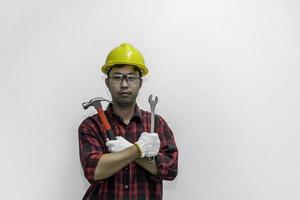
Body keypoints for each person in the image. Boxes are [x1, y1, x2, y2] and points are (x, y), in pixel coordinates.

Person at [78, 43, 178, 200]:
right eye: (117, 77)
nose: (124, 84)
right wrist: (138, 149)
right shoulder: (91, 125)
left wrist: (125, 152)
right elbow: (94, 170)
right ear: (107, 82)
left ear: (140, 83)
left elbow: (170, 170)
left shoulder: (156, 124)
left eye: (131, 78)